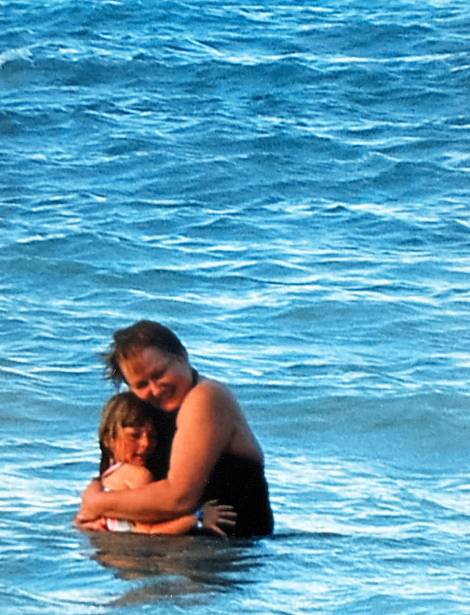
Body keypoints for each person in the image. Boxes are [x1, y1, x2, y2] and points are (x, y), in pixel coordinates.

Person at [75, 320, 274, 537]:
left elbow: (179, 498)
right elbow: (112, 477)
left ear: (182, 355)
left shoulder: (206, 397)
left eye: (159, 374)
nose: (155, 389)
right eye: (141, 385)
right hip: (166, 544)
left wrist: (97, 504)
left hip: (231, 548)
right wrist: (94, 518)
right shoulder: (145, 412)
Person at [97, 392, 236, 536]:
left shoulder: (108, 478)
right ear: (108, 439)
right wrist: (198, 518)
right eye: (135, 435)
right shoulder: (138, 476)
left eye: (152, 436)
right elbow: (148, 532)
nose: (146, 443)